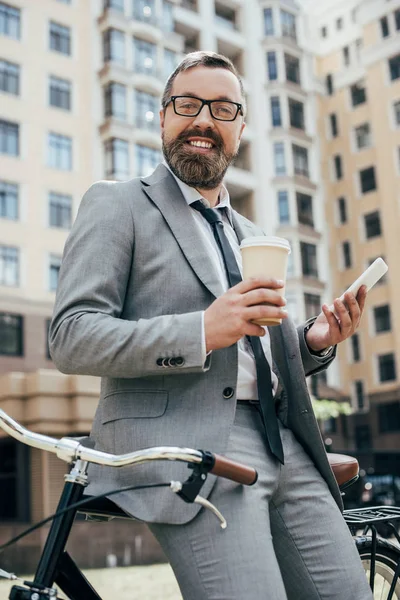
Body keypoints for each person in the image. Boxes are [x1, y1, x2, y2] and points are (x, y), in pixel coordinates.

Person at [49, 51, 373, 600]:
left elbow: (256, 353)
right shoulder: (117, 203)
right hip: (192, 446)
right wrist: (201, 330)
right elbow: (71, 335)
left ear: (241, 128)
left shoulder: (254, 232)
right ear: (162, 116)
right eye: (189, 104)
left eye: (223, 109)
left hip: (289, 442)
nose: (204, 119)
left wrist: (315, 341)